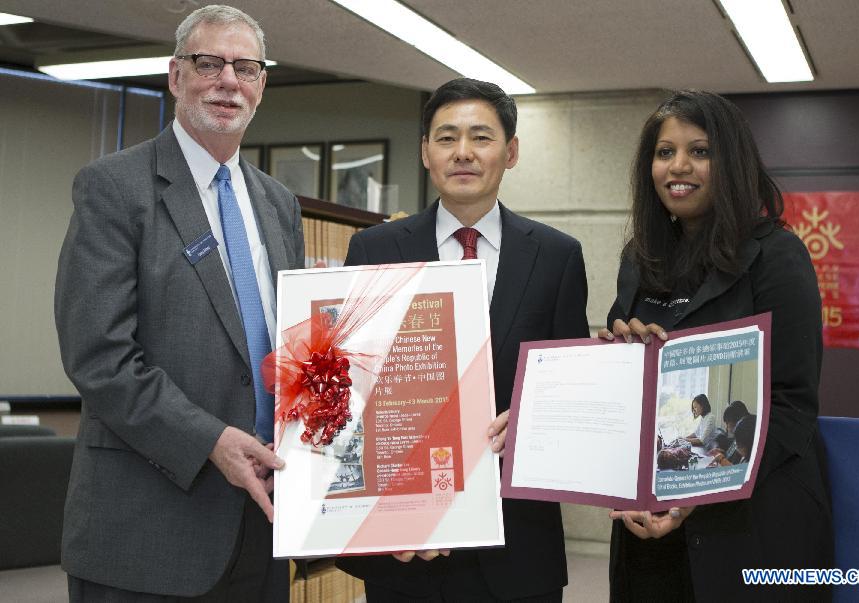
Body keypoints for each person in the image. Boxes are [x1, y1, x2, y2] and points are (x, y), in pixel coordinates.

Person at [55, 5, 302, 601]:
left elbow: (291, 350)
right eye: (208, 62)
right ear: (175, 75)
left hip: (262, 522)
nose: (227, 81)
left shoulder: (279, 203)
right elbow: (99, 357)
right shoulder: (114, 187)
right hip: (147, 532)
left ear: (262, 84)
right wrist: (210, 439)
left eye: (245, 67)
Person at [336, 77, 589, 602]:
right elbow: (346, 393)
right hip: (405, 543)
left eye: (481, 137)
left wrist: (533, 420)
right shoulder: (374, 249)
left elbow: (572, 387)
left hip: (518, 540)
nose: (463, 153)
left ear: (511, 151)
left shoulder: (557, 255)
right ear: (425, 152)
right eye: (447, 138)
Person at [599, 90, 833, 601]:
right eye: (664, 152)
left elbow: (793, 405)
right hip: (649, 524)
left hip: (755, 527)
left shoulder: (777, 255)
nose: (678, 166)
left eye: (700, 151)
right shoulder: (639, 259)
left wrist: (697, 497)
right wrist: (616, 351)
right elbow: (629, 384)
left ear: (732, 162)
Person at [710, 400, 750, 465]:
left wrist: (722, 460)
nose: (726, 428)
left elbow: (737, 469)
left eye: (727, 423)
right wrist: (721, 451)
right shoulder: (738, 435)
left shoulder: (745, 438)